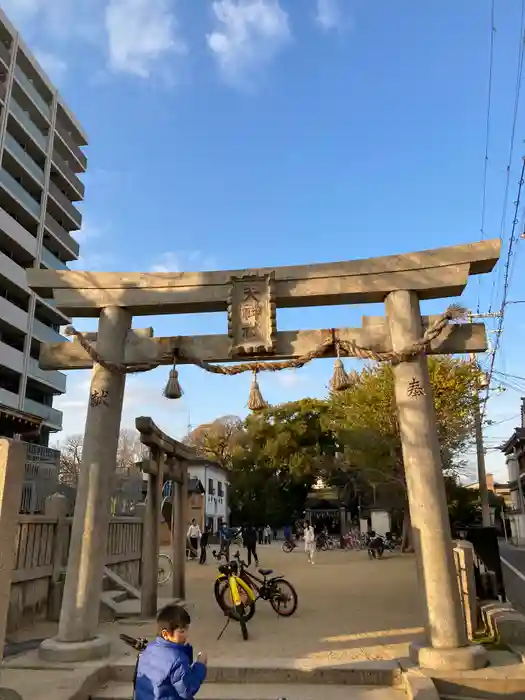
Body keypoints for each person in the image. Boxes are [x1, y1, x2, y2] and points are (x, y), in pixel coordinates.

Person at [135, 604, 207, 700]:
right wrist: (200, 665)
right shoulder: (177, 660)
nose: (186, 635)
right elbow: (188, 689)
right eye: (181, 631)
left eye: (186, 630)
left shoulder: (149, 649)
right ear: (165, 634)